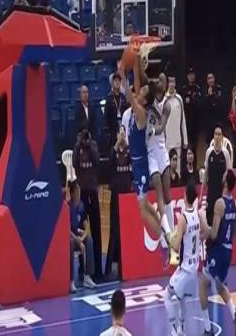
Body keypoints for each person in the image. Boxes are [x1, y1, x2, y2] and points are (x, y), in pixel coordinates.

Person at [120, 56, 171, 267]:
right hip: (137, 162)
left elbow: (129, 93)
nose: (138, 91)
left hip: (141, 164)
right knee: (146, 205)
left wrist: (122, 73)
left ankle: (163, 243)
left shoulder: (140, 112)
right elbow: (137, 84)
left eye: (141, 91)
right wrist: (135, 63)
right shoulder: (138, 108)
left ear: (143, 99)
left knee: (142, 210)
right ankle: (165, 230)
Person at [199, 170, 236, 336]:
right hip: (229, 249)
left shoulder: (220, 203)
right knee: (219, 285)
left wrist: (203, 221)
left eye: (223, 175)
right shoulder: (235, 204)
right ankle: (234, 314)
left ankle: (207, 328)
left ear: (225, 182)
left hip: (218, 250)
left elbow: (214, 234)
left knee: (203, 283)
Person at [164, 182, 205, 336]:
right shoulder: (197, 214)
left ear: (185, 196)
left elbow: (175, 246)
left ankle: (174, 330)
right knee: (181, 299)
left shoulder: (183, 218)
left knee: (167, 296)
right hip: (194, 268)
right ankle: (182, 329)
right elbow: (202, 235)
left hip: (185, 268)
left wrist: (169, 234)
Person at [146, 72, 175, 242]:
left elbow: (162, 126)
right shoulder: (149, 99)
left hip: (161, 149)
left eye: (163, 80)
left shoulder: (167, 105)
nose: (161, 82)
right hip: (150, 152)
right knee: (158, 190)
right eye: (159, 80)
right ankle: (166, 235)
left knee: (167, 194)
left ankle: (172, 232)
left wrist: (152, 130)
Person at [72, 129, 103, 279]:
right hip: (82, 193)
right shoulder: (77, 147)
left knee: (96, 230)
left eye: (86, 137)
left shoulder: (93, 145)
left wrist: (89, 145)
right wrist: (79, 145)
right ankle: (81, 269)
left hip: (92, 191)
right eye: (82, 137)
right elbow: (74, 164)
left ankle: (98, 269)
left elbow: (97, 162)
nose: (84, 139)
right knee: (81, 230)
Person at [105, 127, 132, 276]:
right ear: (116, 135)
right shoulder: (113, 152)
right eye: (120, 133)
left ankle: (125, 267)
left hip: (127, 198)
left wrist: (127, 144)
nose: (122, 135)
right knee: (114, 231)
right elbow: (108, 166)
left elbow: (133, 169)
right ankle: (108, 268)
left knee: (126, 232)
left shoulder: (129, 151)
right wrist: (116, 145)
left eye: (123, 132)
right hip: (116, 198)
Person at [68, 181, 98, 293]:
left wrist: (83, 237)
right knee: (70, 243)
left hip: (79, 236)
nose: (79, 193)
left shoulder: (82, 206)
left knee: (89, 239)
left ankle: (87, 277)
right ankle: (70, 281)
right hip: (71, 237)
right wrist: (77, 240)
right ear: (72, 193)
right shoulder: (67, 207)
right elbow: (66, 229)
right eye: (76, 191)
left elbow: (86, 226)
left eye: (79, 191)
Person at [202, 125, 232, 226]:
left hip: (221, 194)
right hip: (211, 193)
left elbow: (229, 173)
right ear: (213, 136)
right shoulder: (209, 152)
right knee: (210, 222)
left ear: (222, 137)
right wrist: (202, 195)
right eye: (216, 134)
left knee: (221, 222)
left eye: (219, 134)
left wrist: (227, 194)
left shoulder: (225, 153)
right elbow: (205, 174)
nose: (217, 137)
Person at [165, 76, 188, 174]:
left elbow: (183, 120)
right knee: (167, 168)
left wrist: (185, 139)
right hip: (166, 142)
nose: (172, 84)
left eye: (173, 82)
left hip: (177, 140)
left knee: (177, 170)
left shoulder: (179, 99)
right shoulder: (163, 100)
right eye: (170, 82)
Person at [104, 73, 128, 150]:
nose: (117, 82)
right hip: (113, 129)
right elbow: (106, 116)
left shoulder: (123, 98)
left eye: (119, 81)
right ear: (112, 83)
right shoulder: (109, 99)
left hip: (123, 127)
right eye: (115, 81)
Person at [181, 68, 202, 151]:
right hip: (186, 121)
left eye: (193, 74)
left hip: (195, 121)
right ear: (187, 76)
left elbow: (200, 104)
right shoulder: (183, 89)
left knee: (194, 145)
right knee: (186, 144)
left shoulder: (198, 89)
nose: (191, 77)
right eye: (190, 75)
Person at [203, 73, 224, 146]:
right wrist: (209, 96)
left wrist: (212, 97)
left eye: (211, 78)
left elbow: (220, 104)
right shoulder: (204, 90)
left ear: (214, 79)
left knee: (219, 143)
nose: (210, 80)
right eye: (208, 78)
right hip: (208, 122)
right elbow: (204, 106)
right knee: (209, 144)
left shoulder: (219, 89)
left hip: (218, 121)